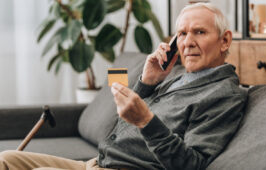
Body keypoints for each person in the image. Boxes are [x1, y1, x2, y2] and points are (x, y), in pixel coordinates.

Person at [0, 2, 247, 170]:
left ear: (224, 40)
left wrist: (147, 122)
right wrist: (147, 83)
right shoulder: (174, 76)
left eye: (199, 32)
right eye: (181, 34)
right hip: (97, 163)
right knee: (6, 159)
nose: (187, 42)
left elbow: (191, 164)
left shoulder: (224, 94)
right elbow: (123, 126)